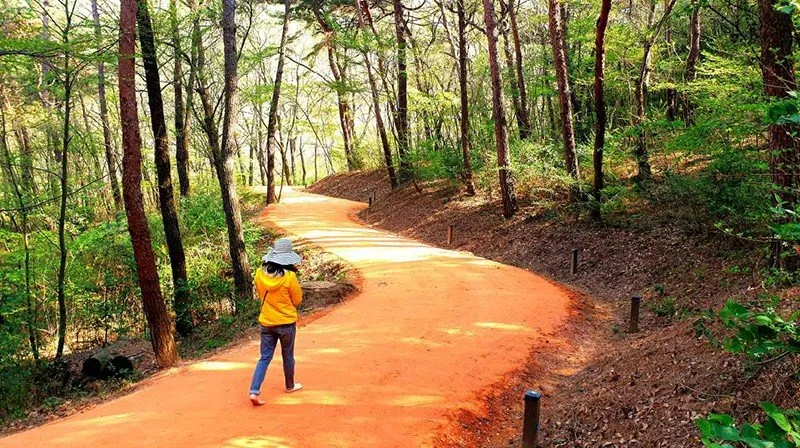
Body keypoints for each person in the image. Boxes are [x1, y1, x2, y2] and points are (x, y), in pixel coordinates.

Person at [249, 238, 304, 406]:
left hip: (267, 322)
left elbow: (260, 294)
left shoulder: (259, 273)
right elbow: (297, 300)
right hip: (286, 323)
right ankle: (290, 386)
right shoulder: (290, 277)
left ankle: (254, 391)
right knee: (288, 355)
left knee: (264, 357)